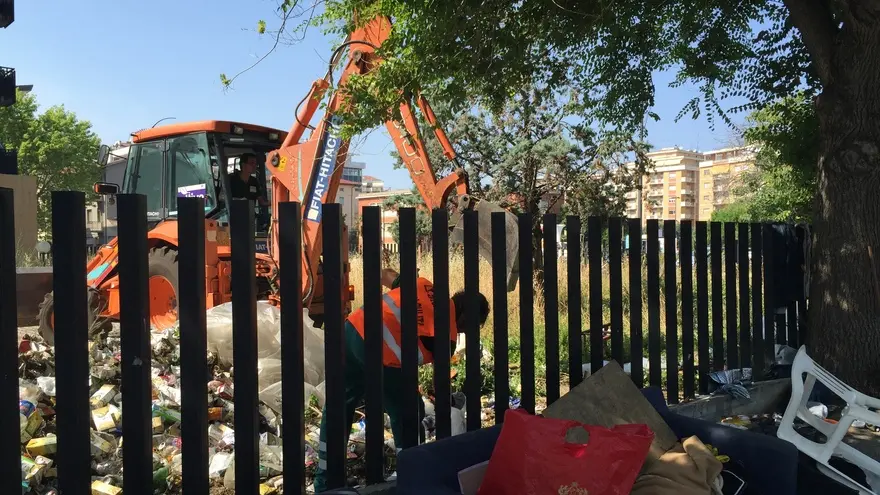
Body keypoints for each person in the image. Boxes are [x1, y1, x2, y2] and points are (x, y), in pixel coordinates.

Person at [313, 268, 490, 493]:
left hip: (351, 330)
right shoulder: (448, 334)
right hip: (380, 352)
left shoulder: (424, 285)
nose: (465, 332)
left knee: (340, 406)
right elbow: (440, 383)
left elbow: (386, 274)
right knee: (410, 411)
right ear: (466, 318)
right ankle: (409, 477)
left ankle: (326, 483)